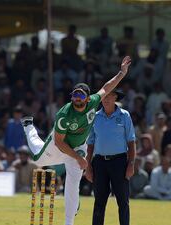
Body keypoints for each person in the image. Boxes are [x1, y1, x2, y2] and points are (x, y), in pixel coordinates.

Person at [21, 56, 131, 225]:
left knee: (73, 182)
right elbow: (59, 142)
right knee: (38, 160)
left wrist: (122, 73)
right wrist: (80, 158)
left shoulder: (93, 102)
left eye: (80, 95)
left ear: (88, 98)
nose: (77, 98)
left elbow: (107, 87)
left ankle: (69, 222)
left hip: (78, 146)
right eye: (75, 95)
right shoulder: (64, 114)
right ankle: (29, 127)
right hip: (59, 145)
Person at [85, 89, 136, 225]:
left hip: (119, 162)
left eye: (110, 96)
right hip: (100, 162)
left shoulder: (124, 115)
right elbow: (90, 144)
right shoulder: (95, 117)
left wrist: (131, 164)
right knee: (99, 202)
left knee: (123, 201)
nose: (106, 99)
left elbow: (131, 142)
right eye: (104, 96)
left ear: (115, 98)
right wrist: (88, 166)